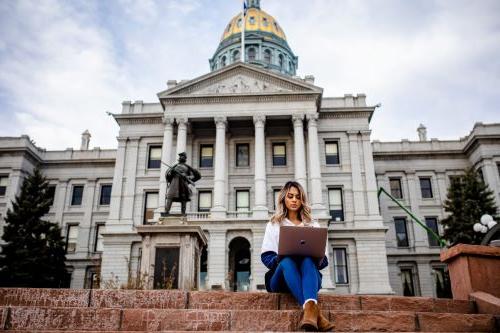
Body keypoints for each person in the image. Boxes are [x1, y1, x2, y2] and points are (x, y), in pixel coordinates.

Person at [261, 181, 334, 332]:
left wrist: (313, 257)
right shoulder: (274, 224)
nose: (294, 200)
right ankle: (316, 314)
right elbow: (266, 257)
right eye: (290, 196)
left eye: (298, 197)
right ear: (283, 199)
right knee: (287, 261)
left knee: (307, 260)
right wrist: (282, 256)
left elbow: (324, 260)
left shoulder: (313, 224)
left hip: (308, 276)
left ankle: (309, 316)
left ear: (302, 200)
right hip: (281, 279)